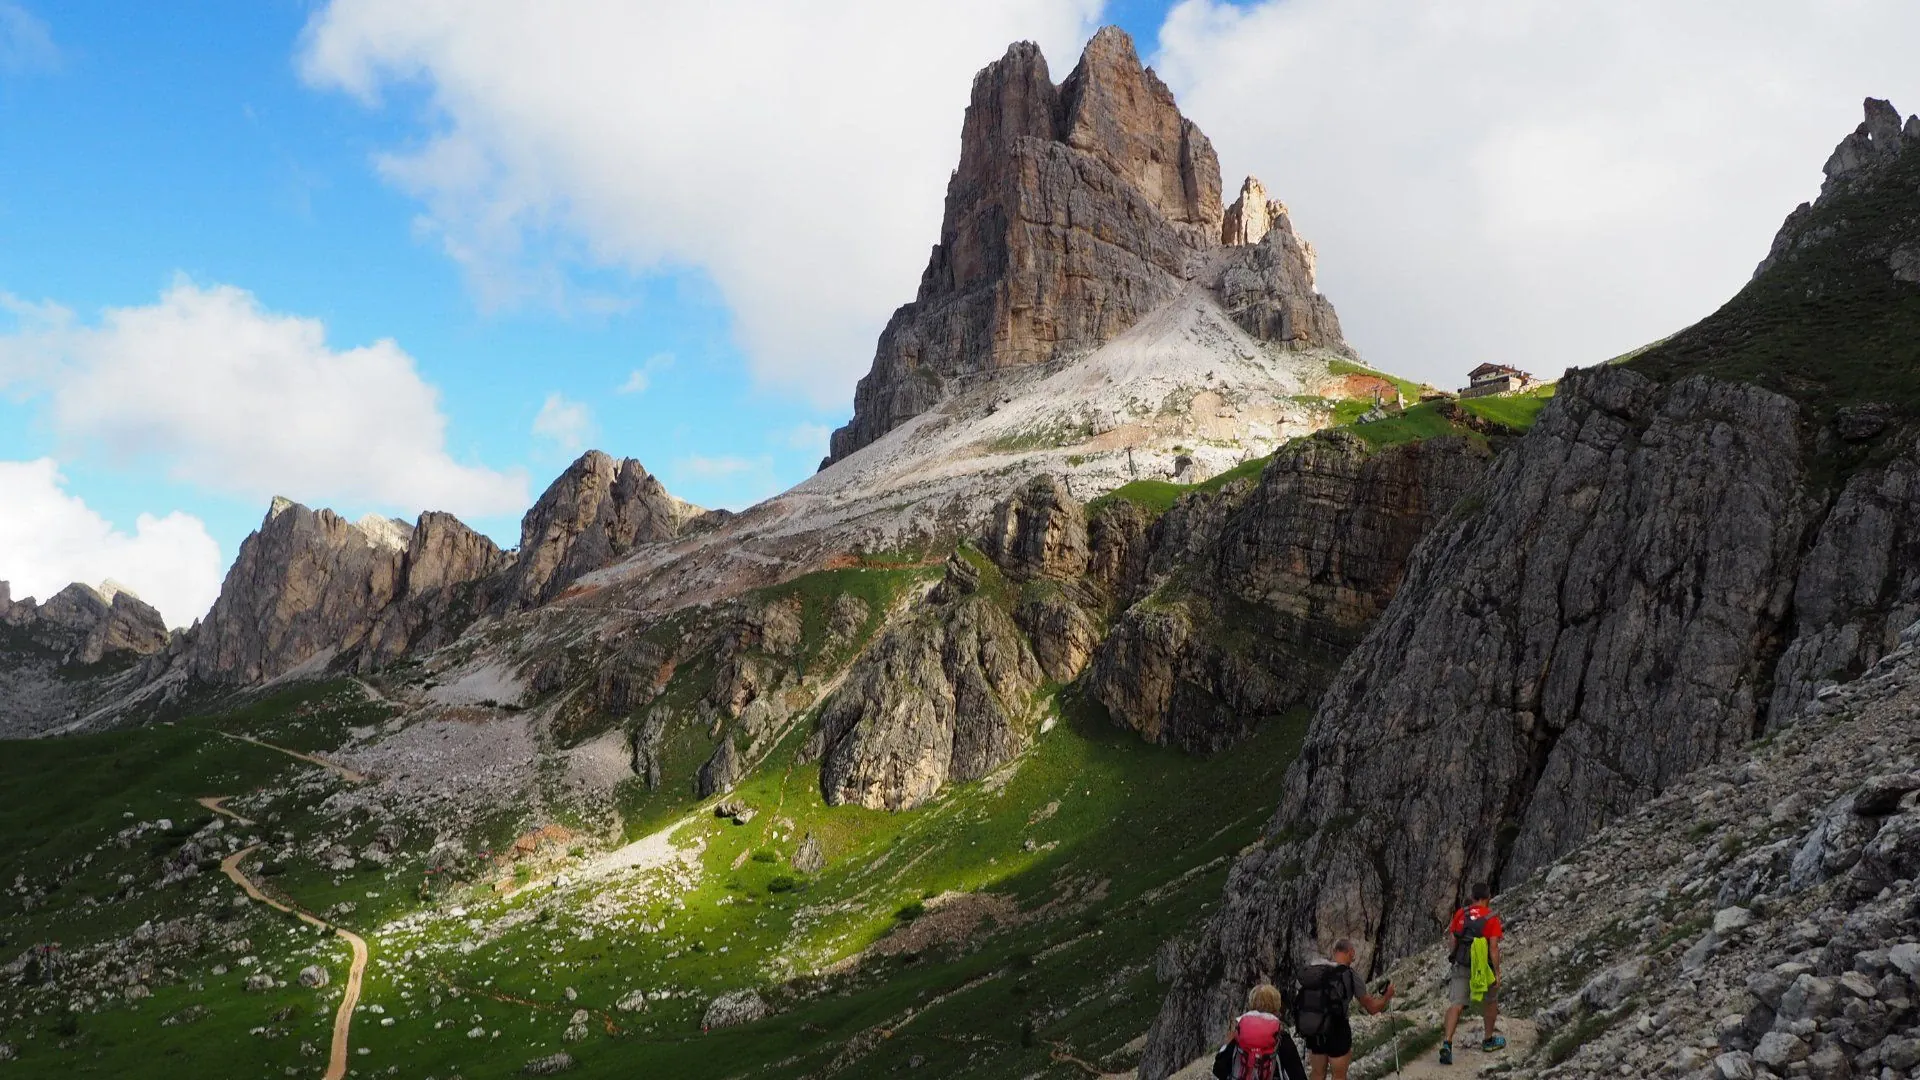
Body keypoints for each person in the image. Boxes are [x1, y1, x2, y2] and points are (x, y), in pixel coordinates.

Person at [1294, 939, 1394, 1080]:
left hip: (1315, 1029)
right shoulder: (1350, 975)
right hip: (1338, 1030)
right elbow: (1372, 1008)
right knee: (1339, 1076)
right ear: (1350, 952)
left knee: (1317, 1074)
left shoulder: (1317, 972)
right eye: (1353, 953)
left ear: (1334, 952)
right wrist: (1387, 997)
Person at [1439, 881, 1505, 1066]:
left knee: (1456, 1003)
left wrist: (1455, 956)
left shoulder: (1462, 913)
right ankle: (1488, 1040)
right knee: (1490, 1000)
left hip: (1462, 963)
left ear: (1473, 897)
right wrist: (1497, 972)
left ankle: (1447, 1043)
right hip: (1484, 966)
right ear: (1487, 897)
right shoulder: (1492, 917)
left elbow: (1453, 939)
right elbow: (1493, 947)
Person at [1212, 983, 1307, 1080]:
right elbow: (1298, 1075)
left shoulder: (1240, 1031)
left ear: (1251, 1003)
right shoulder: (1280, 1035)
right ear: (1277, 1006)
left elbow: (1218, 1070)